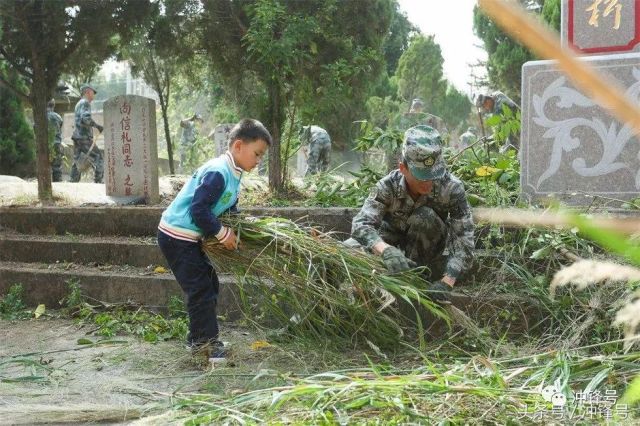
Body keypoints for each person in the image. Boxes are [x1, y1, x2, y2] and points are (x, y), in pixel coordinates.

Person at [157, 118, 272, 363]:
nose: (259, 160)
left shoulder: (234, 172)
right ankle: (204, 345)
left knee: (209, 282)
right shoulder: (218, 172)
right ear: (239, 146)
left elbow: (228, 207)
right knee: (200, 289)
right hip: (176, 236)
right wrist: (222, 234)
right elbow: (199, 210)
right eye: (257, 154)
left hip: (187, 237)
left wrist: (242, 230)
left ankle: (199, 337)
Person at [345, 125, 475, 302]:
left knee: (425, 217)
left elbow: (464, 241)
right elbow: (361, 224)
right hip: (389, 244)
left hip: (425, 251)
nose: (428, 182)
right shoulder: (387, 186)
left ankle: (415, 278)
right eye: (422, 175)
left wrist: (447, 282)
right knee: (346, 249)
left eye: (433, 174)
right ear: (403, 168)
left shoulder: (452, 188)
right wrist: (385, 250)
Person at [70, 84, 103, 183]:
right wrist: (97, 126)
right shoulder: (85, 103)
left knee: (77, 159)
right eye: (93, 93)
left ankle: (73, 181)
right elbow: (85, 119)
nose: (94, 95)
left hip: (77, 137)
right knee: (98, 157)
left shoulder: (79, 103)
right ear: (88, 92)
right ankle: (98, 182)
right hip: (84, 137)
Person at [47, 99, 64, 182]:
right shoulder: (58, 117)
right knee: (57, 166)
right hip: (56, 143)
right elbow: (60, 126)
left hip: (44, 144)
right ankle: (58, 185)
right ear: (53, 105)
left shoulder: (40, 116)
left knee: (44, 165)